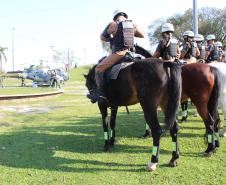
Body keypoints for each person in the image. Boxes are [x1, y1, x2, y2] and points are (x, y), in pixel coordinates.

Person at [87, 10, 145, 104]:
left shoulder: (113, 24)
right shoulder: (132, 24)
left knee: (98, 68)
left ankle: (101, 94)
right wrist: (133, 30)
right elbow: (142, 35)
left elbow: (102, 37)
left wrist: (110, 38)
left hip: (120, 53)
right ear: (125, 16)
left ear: (115, 17)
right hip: (133, 53)